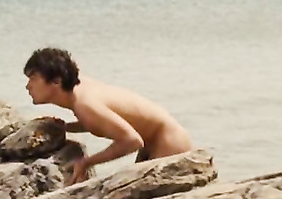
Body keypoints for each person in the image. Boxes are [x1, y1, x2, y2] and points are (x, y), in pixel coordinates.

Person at [23, 47, 193, 186]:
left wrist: (86, 162)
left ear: (57, 81)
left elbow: (132, 141)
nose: (27, 86)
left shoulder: (84, 104)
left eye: (33, 78)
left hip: (168, 141)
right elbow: (101, 121)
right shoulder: (79, 90)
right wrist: (65, 127)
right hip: (158, 139)